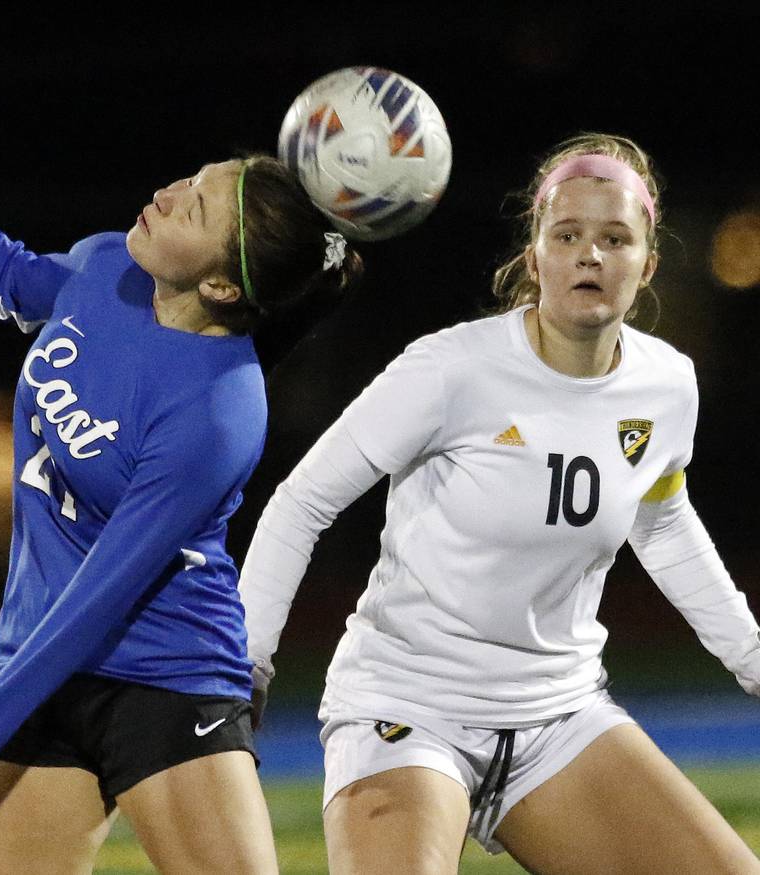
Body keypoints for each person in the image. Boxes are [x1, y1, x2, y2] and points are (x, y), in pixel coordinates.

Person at [0, 102, 361, 875]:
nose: (169, 192)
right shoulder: (107, 266)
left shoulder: (217, 413)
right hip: (36, 661)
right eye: (192, 178)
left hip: (165, 680)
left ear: (218, 284)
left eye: (196, 206)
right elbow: (4, 269)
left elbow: (97, 598)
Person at [239, 133, 760, 873]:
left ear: (646, 264)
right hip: (408, 709)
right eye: (567, 234)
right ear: (536, 254)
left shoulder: (668, 384)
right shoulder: (450, 369)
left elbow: (663, 520)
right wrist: (244, 662)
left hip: (561, 716)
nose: (590, 254)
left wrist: (750, 655)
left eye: (615, 238)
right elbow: (301, 503)